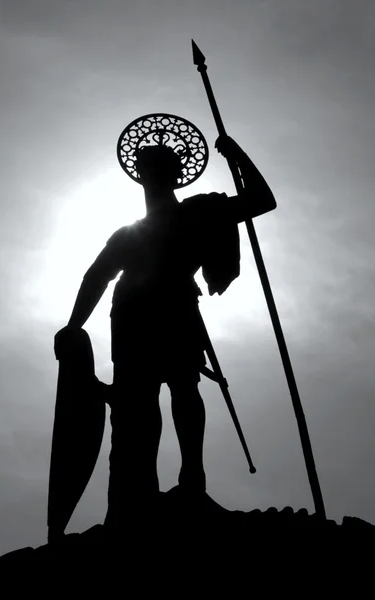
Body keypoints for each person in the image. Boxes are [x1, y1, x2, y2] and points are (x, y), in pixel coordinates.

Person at [55, 134, 276, 527]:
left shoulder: (200, 211)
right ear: (140, 176)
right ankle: (139, 493)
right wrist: (73, 325)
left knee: (183, 388)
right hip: (130, 318)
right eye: (147, 170)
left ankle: (193, 477)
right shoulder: (128, 233)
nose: (153, 177)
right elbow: (96, 276)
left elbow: (261, 201)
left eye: (161, 169)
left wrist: (238, 156)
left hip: (174, 309)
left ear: (175, 175)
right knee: (138, 405)